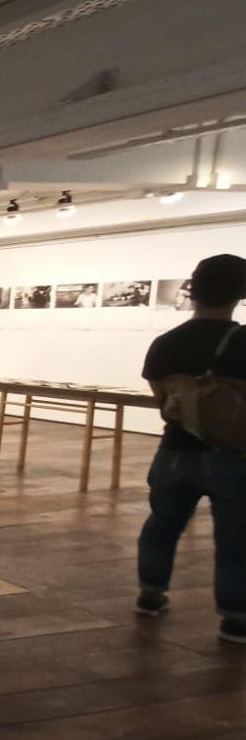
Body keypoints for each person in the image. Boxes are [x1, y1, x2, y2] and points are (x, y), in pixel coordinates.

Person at [137, 253, 246, 643]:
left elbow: (163, 402)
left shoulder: (166, 343)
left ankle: (150, 595)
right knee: (235, 539)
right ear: (240, 293)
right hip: (234, 457)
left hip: (175, 450)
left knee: (162, 526)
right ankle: (235, 618)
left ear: (194, 290)